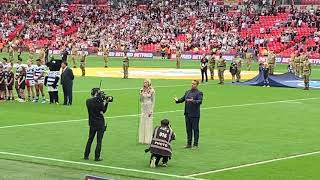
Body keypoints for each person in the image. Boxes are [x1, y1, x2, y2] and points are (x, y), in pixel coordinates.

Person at [84, 88, 113, 161]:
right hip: (100, 123)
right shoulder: (99, 102)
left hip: (92, 123)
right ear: (97, 93)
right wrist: (106, 102)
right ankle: (97, 157)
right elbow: (104, 110)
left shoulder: (88, 101)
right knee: (99, 141)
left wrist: (100, 99)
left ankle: (86, 155)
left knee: (90, 139)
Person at [174, 80, 203, 149]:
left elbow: (200, 101)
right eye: (192, 83)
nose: (192, 85)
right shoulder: (187, 92)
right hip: (187, 114)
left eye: (194, 84)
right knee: (188, 129)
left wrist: (192, 101)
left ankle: (195, 144)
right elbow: (182, 99)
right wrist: (177, 100)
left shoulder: (199, 93)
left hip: (195, 114)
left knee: (195, 129)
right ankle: (189, 144)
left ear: (197, 85)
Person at [139, 79, 155, 144]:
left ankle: (148, 139)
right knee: (143, 122)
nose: (144, 83)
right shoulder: (141, 90)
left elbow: (153, 101)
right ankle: (142, 139)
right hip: (143, 108)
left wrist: (151, 111)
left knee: (148, 123)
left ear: (149, 83)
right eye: (144, 82)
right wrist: (141, 94)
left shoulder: (152, 91)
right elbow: (141, 100)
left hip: (149, 107)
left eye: (146, 82)